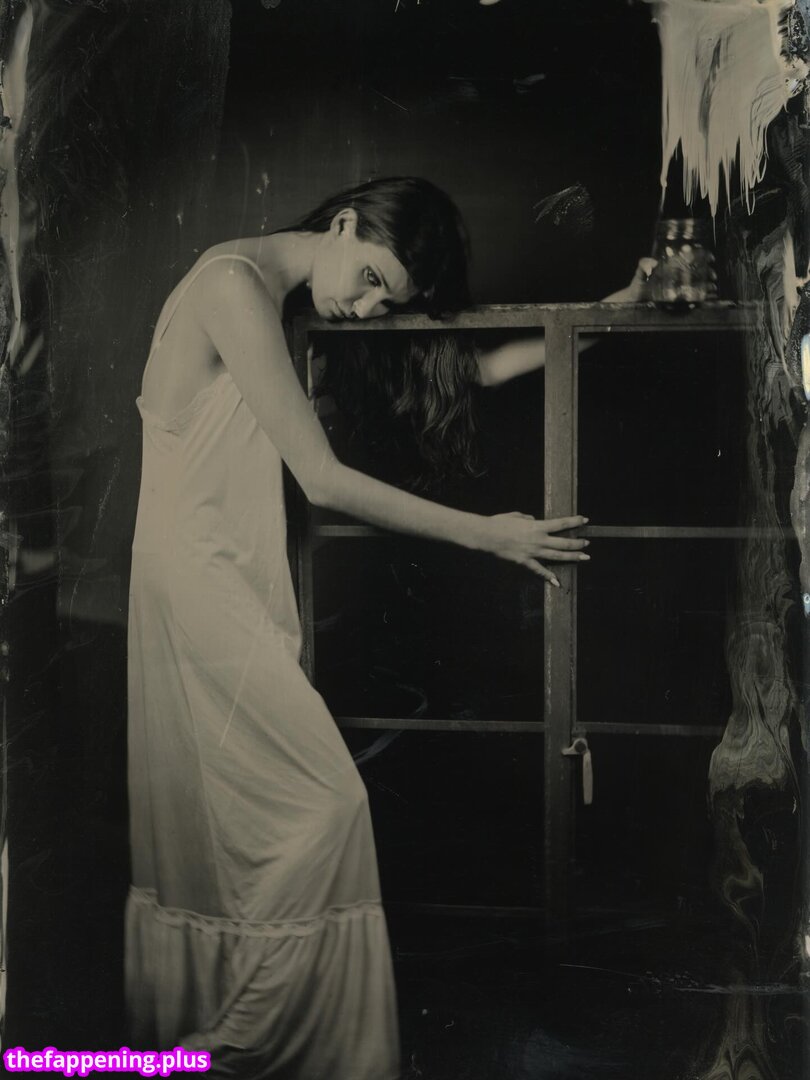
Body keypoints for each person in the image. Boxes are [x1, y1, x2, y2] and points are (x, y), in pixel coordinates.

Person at [125, 176, 649, 1079]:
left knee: (249, 829)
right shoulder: (232, 287)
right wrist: (489, 535)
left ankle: (243, 1042)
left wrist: (607, 315)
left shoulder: (287, 301)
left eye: (385, 301)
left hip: (234, 579)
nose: (366, 308)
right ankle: (251, 1050)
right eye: (371, 279)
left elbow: (470, 371)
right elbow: (323, 480)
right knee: (323, 810)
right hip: (200, 585)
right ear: (343, 224)